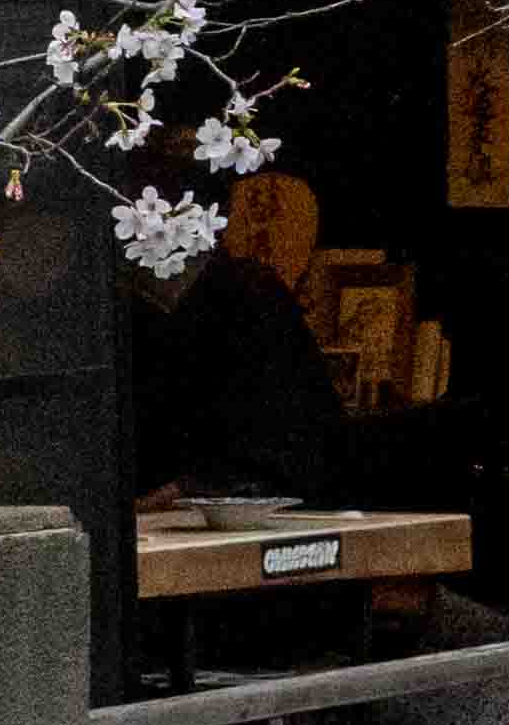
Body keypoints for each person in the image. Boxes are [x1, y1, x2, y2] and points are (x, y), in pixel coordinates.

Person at [137, 163, 364, 512]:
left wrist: (192, 488)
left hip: (248, 509)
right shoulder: (129, 306)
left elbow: (296, 443)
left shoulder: (246, 295)